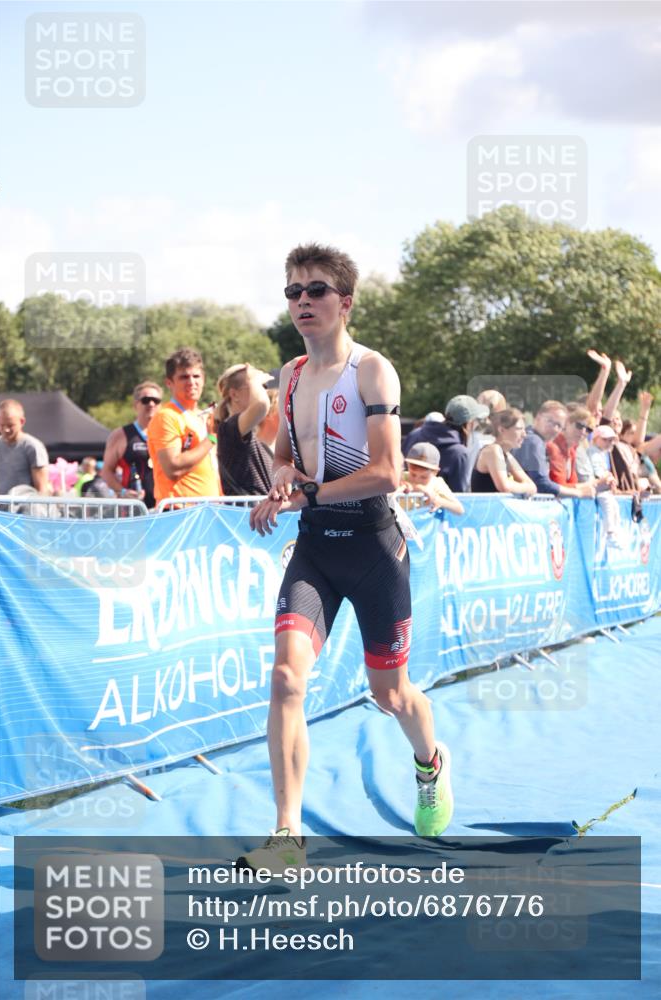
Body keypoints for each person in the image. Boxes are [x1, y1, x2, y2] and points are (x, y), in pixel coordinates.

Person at [244, 242, 453, 868]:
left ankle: (430, 762)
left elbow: (389, 472)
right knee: (285, 679)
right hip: (315, 550)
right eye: (293, 292)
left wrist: (307, 490)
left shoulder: (371, 371)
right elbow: (285, 455)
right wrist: (283, 482)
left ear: (345, 302)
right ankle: (287, 837)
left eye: (316, 291)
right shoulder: (288, 375)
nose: (302, 301)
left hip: (373, 549)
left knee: (390, 696)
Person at [147, 348, 221, 505]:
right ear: (169, 383)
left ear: (204, 379)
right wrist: (211, 438)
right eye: (184, 377)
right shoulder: (166, 416)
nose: (191, 382)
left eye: (196, 376)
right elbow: (173, 468)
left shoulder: (204, 417)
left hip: (209, 509)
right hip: (179, 510)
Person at [402, 395, 489, 492]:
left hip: (401, 503)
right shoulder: (460, 453)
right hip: (437, 506)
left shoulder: (414, 434)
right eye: (476, 421)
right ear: (469, 423)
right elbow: (460, 495)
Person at [511, 401, 595, 499]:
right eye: (550, 421)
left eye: (559, 426)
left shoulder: (534, 440)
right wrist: (579, 493)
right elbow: (542, 485)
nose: (555, 429)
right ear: (538, 417)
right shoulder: (534, 441)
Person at [100, 382, 163, 508]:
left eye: (155, 400)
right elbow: (106, 471)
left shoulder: (168, 433)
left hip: (164, 506)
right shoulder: (121, 435)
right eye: (145, 400)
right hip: (134, 508)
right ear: (135, 405)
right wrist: (122, 492)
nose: (151, 404)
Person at [216, 363, 275, 495]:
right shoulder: (228, 430)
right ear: (234, 395)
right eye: (258, 387)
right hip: (246, 514)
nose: (262, 392)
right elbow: (261, 404)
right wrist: (254, 379)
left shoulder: (250, 437)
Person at [471, 408, 537, 495]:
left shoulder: (506, 455)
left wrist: (517, 486)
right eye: (519, 429)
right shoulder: (493, 450)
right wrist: (525, 487)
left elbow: (533, 487)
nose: (524, 435)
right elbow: (504, 487)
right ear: (501, 430)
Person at [577, 425, 622, 544]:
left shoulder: (602, 453)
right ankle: (610, 533)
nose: (608, 443)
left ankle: (615, 533)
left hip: (602, 485)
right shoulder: (593, 452)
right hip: (597, 486)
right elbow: (598, 471)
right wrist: (608, 478)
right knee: (607, 502)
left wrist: (610, 479)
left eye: (610, 440)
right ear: (596, 438)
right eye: (605, 439)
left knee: (615, 506)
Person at [0, 399, 50, 495]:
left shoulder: (33, 447)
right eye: (2, 425)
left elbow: (42, 490)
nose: (6, 429)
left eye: (10, 425)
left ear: (22, 421)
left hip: (24, 507)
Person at [398, 442, 465, 514]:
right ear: (408, 466)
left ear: (435, 472)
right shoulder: (401, 477)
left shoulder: (437, 483)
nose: (417, 479)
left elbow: (459, 510)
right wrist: (418, 488)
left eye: (424, 477)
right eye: (413, 474)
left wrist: (438, 500)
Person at [546, 406, 596, 488]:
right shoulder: (554, 447)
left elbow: (573, 482)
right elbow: (560, 486)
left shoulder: (571, 451)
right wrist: (595, 484)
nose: (583, 432)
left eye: (588, 430)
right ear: (567, 423)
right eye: (579, 426)